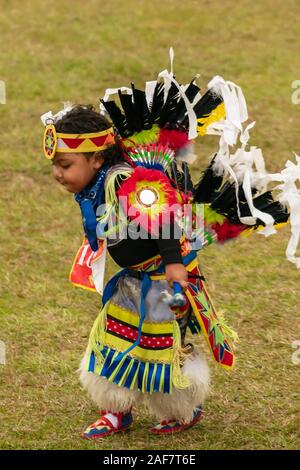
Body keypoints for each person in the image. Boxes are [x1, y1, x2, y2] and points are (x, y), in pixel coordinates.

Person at [41, 67, 289, 439]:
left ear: (95, 159)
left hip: (160, 277)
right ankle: (116, 410)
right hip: (133, 279)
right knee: (113, 335)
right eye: (56, 166)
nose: (59, 174)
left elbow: (166, 216)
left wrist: (174, 264)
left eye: (65, 165)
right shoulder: (96, 184)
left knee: (163, 343)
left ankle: (182, 408)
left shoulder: (124, 181)